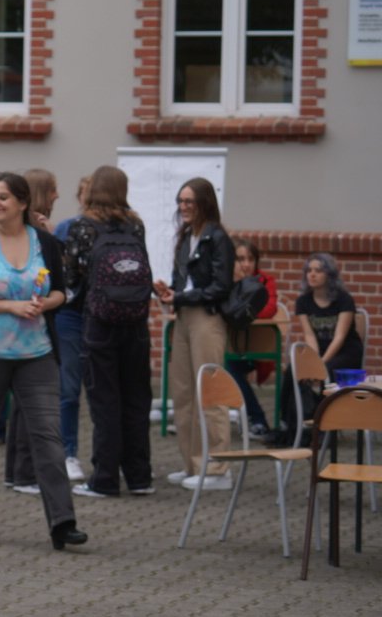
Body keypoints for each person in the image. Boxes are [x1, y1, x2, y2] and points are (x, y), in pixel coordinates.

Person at [0, 172, 87, 551]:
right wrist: (9, 306)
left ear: (23, 203)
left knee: (48, 437)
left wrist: (45, 303)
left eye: (3, 197)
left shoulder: (44, 242)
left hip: (36, 355)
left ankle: (63, 523)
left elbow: (61, 291)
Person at [62, 165, 154, 499]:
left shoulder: (83, 227)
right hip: (136, 324)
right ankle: (140, 477)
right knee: (136, 400)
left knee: (105, 402)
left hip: (99, 323)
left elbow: (71, 278)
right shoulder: (136, 225)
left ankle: (104, 479)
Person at [155, 177, 234, 493]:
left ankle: (218, 468)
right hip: (184, 316)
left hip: (206, 318)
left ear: (204, 203)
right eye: (180, 201)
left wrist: (182, 296)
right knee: (183, 392)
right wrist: (169, 293)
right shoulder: (187, 236)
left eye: (189, 201)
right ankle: (192, 463)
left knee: (209, 392)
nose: (183, 207)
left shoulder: (218, 238)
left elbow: (221, 287)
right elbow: (184, 282)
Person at [2, 168, 61, 493]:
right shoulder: (38, 234)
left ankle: (16, 471)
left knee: (22, 406)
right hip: (30, 329)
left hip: (22, 328)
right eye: (53, 190)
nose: (57, 196)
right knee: (33, 406)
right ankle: (25, 473)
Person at [270, 252, 366, 444]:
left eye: (318, 271)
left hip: (346, 351)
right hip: (320, 351)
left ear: (329, 275)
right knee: (293, 370)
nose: (312, 275)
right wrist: (313, 362)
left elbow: (340, 337)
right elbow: (309, 335)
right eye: (309, 270)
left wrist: (320, 365)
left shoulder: (344, 299)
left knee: (328, 370)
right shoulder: (303, 301)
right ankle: (288, 423)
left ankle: (325, 427)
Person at [51, 176, 92, 482]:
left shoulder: (119, 229)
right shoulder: (66, 228)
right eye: (86, 195)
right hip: (70, 314)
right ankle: (67, 452)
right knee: (68, 388)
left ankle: (110, 456)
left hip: (102, 316)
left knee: (104, 391)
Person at [224, 238, 279, 440]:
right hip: (230, 348)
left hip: (257, 350)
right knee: (226, 364)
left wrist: (239, 313)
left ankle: (257, 420)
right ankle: (252, 418)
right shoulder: (224, 282)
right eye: (240, 259)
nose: (246, 264)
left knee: (230, 367)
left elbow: (269, 308)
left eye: (250, 259)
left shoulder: (265, 281)